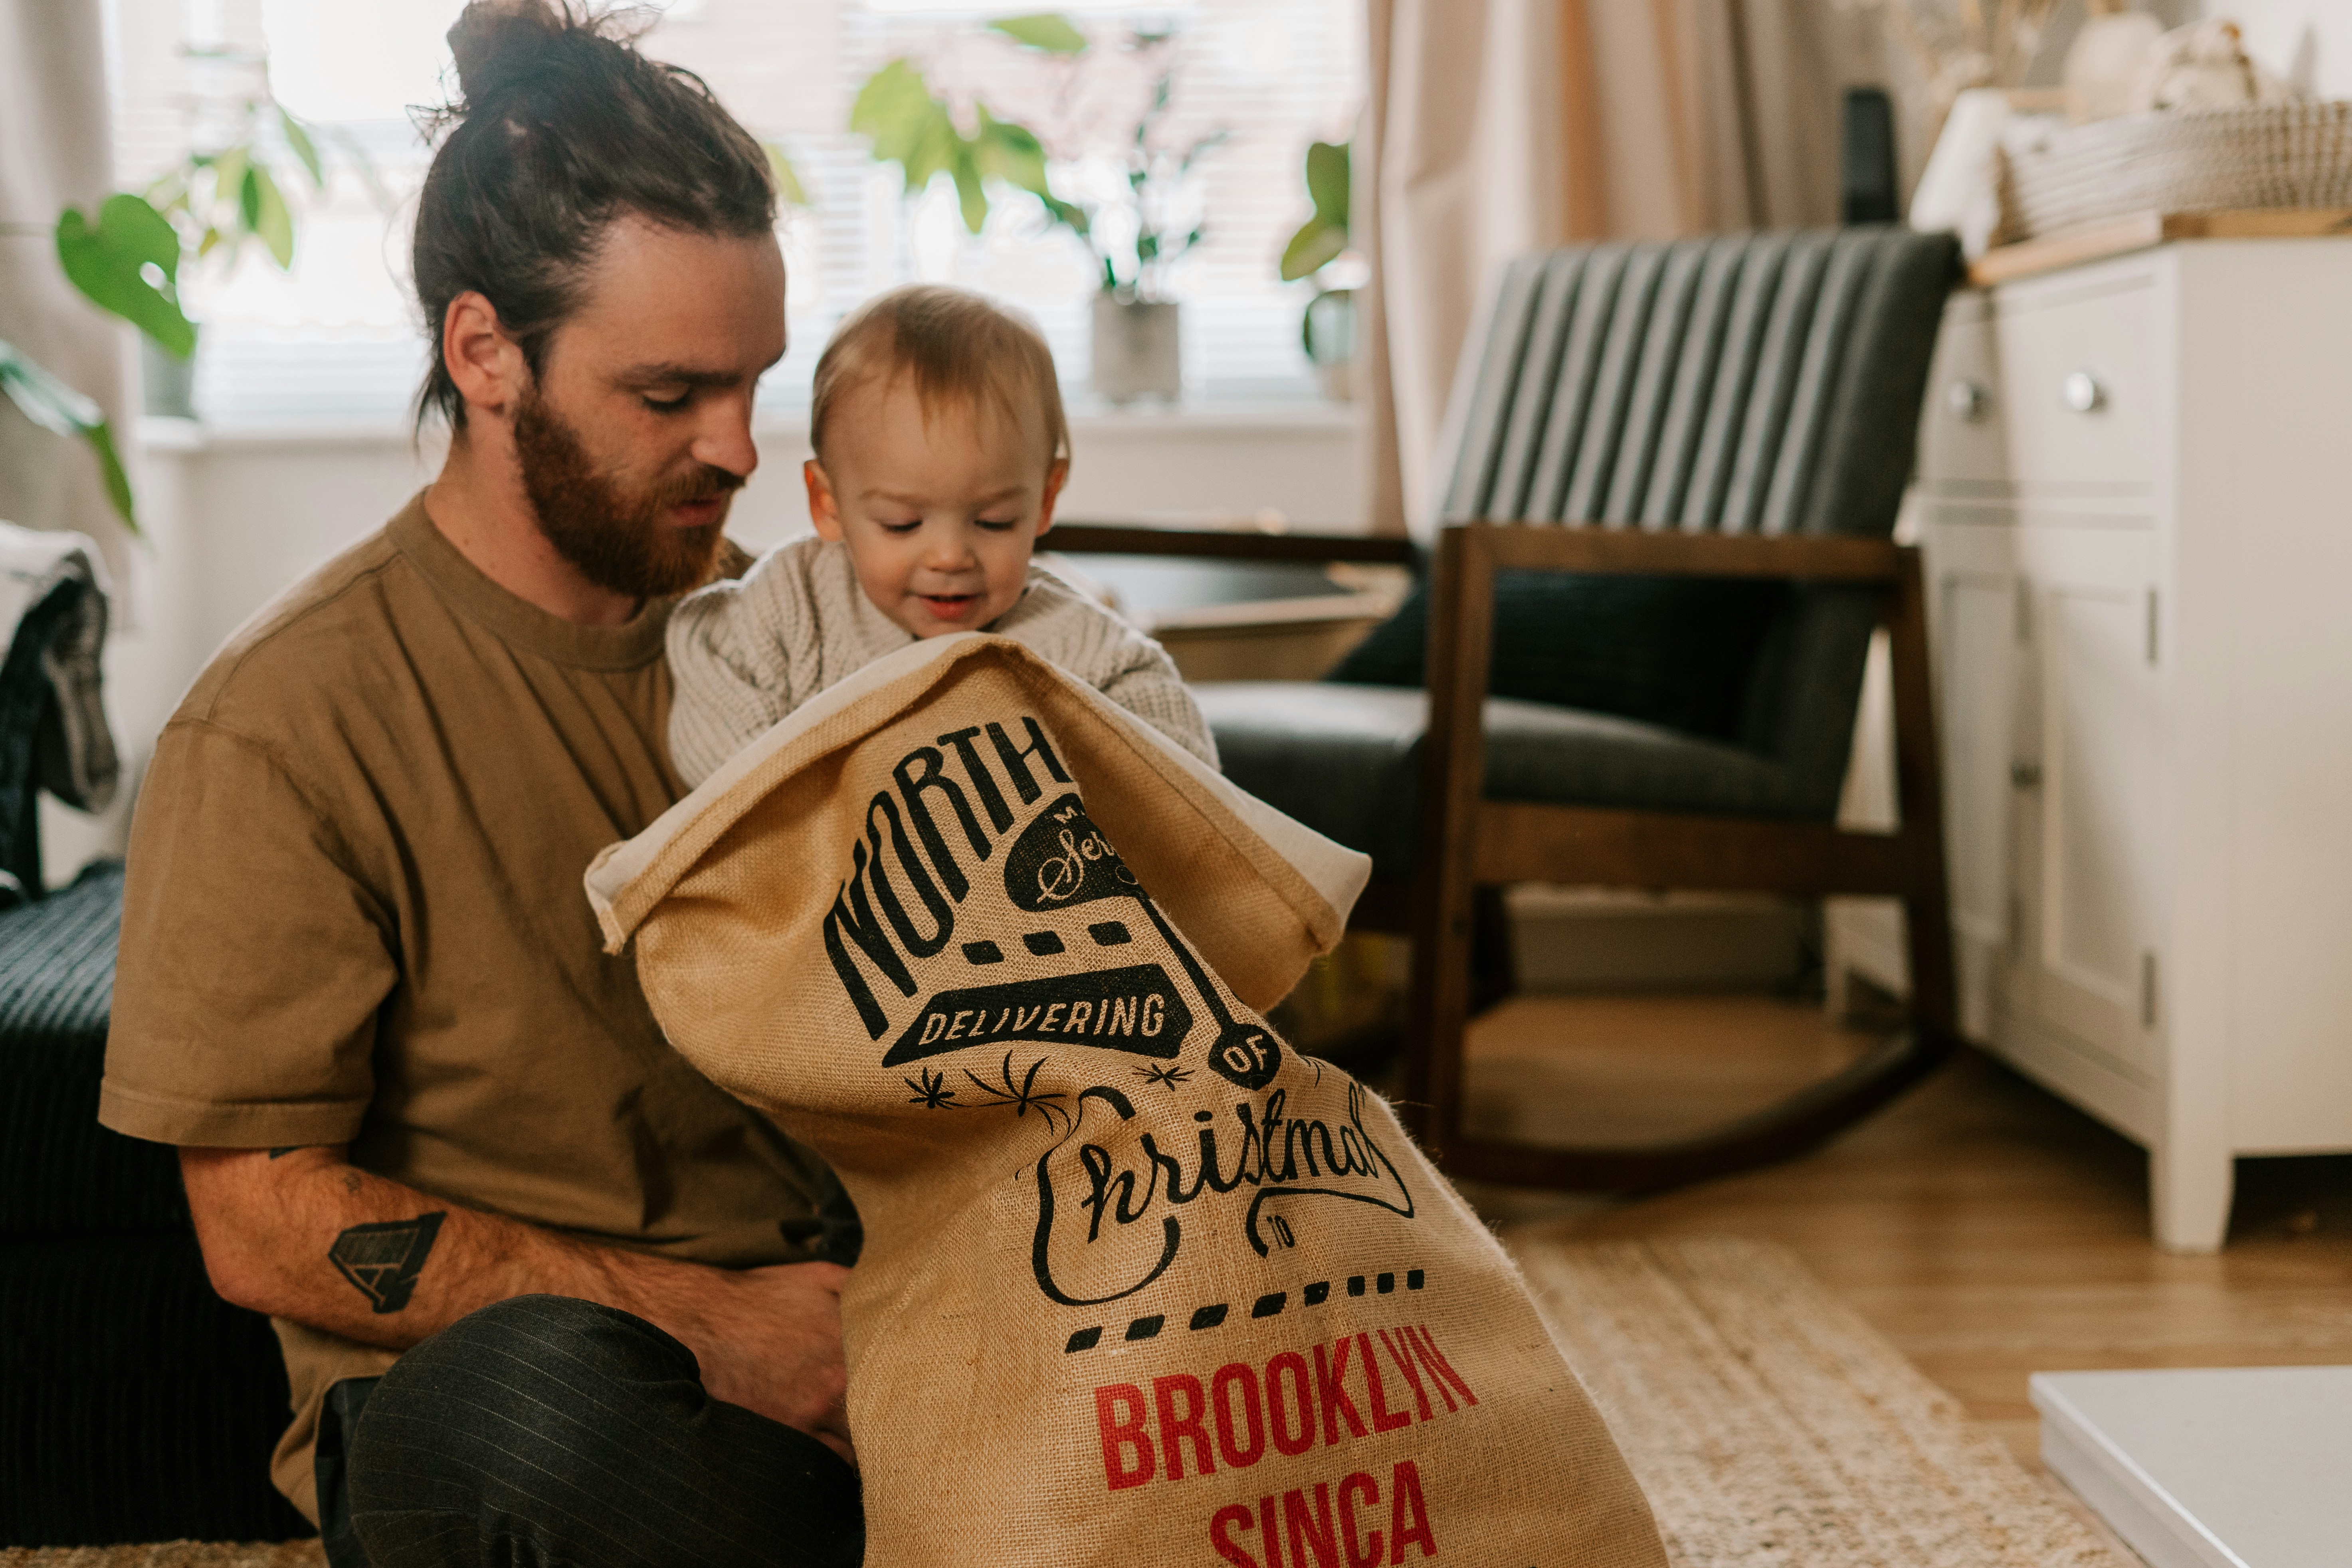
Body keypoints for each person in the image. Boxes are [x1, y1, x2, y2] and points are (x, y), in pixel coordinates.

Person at [97, 4, 863, 1564]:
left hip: (849, 1304)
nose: (736, 446)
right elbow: (255, 1218)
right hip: (537, 1388)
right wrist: (719, 1326)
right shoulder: (284, 721)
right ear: (486, 351)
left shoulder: (791, 639)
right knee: (542, 1425)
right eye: (669, 396)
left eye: (753, 382)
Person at [665, 283, 1214, 790]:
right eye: (902, 524)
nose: (951, 557)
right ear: (827, 504)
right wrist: (805, 800)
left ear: (1045, 500)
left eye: (994, 521)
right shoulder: (792, 604)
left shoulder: (1072, 641)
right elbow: (711, 666)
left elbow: (1182, 754)